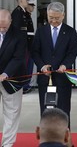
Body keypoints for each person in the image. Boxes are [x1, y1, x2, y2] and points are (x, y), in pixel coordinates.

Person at [32, 2, 77, 121]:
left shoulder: (70, 32)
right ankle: (47, 138)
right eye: (51, 18)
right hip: (45, 77)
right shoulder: (41, 31)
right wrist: (42, 66)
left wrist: (65, 65)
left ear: (63, 15)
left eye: (57, 18)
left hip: (63, 77)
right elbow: (35, 52)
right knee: (46, 110)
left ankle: (65, 138)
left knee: (63, 110)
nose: (53, 21)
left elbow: (73, 52)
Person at [0, 9, 26, 147]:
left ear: (11, 21)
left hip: (12, 79)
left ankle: (7, 144)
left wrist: (5, 74)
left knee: (11, 113)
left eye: (5, 26)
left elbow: (18, 58)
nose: (2, 29)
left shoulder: (19, 35)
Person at [24, 0, 36, 93]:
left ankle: (27, 84)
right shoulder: (24, 16)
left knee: (29, 66)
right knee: (26, 66)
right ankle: (25, 85)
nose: (33, 8)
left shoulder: (28, 16)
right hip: (26, 46)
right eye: (31, 5)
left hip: (30, 45)